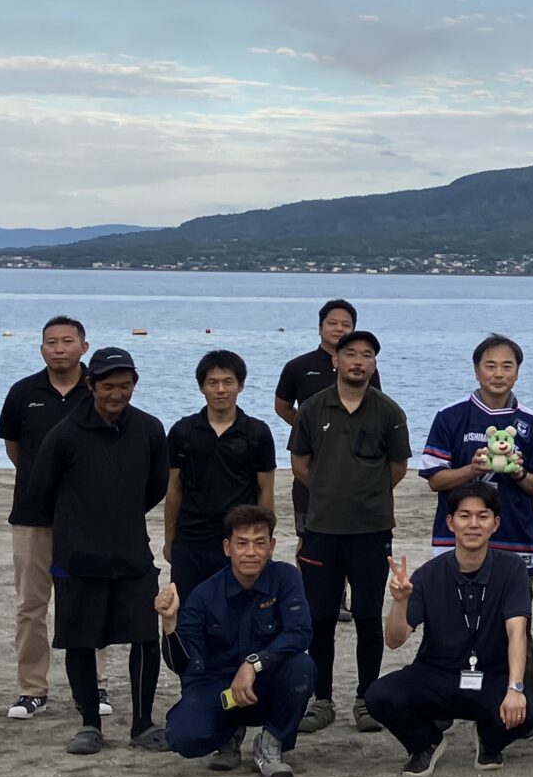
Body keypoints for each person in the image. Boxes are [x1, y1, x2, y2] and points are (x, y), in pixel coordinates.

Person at [21, 346, 170, 755]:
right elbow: (40, 489)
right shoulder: (65, 433)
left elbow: (156, 486)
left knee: (144, 638)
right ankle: (89, 724)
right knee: (80, 640)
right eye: (108, 386)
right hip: (77, 556)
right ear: (91, 385)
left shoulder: (149, 429)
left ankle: (142, 723)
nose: (116, 394)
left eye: (125, 386)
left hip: (131, 552)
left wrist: (119, 511)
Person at [289, 327, 409, 733]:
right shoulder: (313, 408)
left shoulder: (388, 411)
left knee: (366, 616)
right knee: (320, 617)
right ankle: (321, 700)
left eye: (368, 355)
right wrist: (327, 491)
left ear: (374, 364)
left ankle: (366, 697)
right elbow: (300, 462)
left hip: (372, 530)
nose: (359, 361)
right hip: (322, 528)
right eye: (351, 354)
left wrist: (366, 494)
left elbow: (397, 468)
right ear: (336, 361)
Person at [367, 487, 533, 773]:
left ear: (495, 523)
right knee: (379, 696)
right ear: (450, 523)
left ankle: (489, 742)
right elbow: (394, 640)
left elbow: (516, 632)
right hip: (437, 672)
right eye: (465, 516)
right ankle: (426, 743)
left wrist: (515, 687)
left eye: (482, 516)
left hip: (490, 675)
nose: (473, 524)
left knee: (527, 710)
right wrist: (399, 602)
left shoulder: (512, 569)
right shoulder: (428, 574)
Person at [159, 504, 313, 777]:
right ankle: (227, 734)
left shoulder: (286, 578)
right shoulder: (204, 594)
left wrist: (254, 664)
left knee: (302, 667)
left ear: (271, 546)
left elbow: (300, 632)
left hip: (265, 687)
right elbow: (183, 664)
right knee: (182, 737)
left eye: (259, 543)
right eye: (242, 544)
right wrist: (169, 627)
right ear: (227, 547)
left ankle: (271, 744)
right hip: (221, 691)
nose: (251, 552)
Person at [0, 313, 88, 719]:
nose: (59, 348)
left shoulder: (98, 390)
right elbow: (15, 448)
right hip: (32, 514)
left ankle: (94, 686)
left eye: (67, 341)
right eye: (51, 342)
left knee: (85, 600)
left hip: (86, 514)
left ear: (84, 346)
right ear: (41, 348)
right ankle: (32, 688)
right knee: (31, 604)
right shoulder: (23, 392)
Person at [418, 333, 533, 567]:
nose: (499, 374)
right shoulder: (450, 416)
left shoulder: (532, 422)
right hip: (454, 538)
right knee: (450, 601)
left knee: (514, 602)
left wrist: (518, 473)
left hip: (514, 537)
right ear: (476, 371)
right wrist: (471, 470)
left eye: (507, 367)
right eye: (490, 366)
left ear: (517, 373)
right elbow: (435, 480)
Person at [163, 348, 276, 603]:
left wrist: (264, 539)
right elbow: (174, 488)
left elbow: (265, 490)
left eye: (228, 382)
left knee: (236, 606)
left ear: (241, 386)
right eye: (212, 383)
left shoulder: (256, 432)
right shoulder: (183, 431)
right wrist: (170, 538)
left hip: (238, 535)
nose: (221, 390)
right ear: (202, 387)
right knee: (186, 609)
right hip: (191, 537)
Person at [272, 298, 357, 534]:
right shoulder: (298, 366)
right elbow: (282, 407)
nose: (339, 329)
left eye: (346, 325)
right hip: (310, 462)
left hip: (352, 461)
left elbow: (376, 410)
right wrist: (309, 428)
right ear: (320, 327)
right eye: (332, 323)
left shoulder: (362, 367)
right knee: (308, 536)